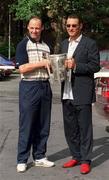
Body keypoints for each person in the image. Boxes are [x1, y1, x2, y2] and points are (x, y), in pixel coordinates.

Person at [59, 14, 100, 174]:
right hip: (66, 91)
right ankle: (75, 155)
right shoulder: (63, 44)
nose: (70, 28)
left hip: (82, 92)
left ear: (80, 26)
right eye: (68, 25)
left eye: (74, 25)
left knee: (84, 128)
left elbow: (95, 66)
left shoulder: (89, 43)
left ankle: (86, 160)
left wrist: (76, 66)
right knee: (70, 128)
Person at [15, 16, 54, 173]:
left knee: (43, 124)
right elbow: (22, 69)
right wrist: (42, 63)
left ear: (41, 28)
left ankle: (39, 156)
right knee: (27, 124)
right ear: (28, 28)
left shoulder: (47, 46)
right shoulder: (22, 44)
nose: (34, 30)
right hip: (29, 87)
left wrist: (55, 67)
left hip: (45, 86)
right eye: (32, 27)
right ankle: (22, 159)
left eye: (37, 28)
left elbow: (49, 68)